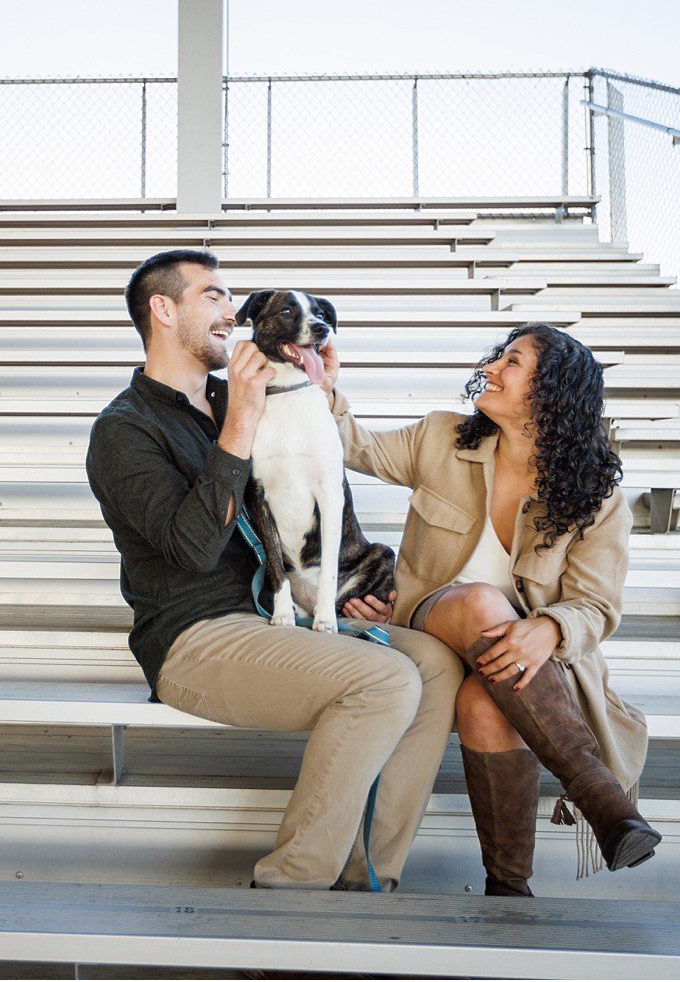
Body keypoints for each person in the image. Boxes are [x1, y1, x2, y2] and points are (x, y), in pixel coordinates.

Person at [85, 250, 464, 892]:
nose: (232, 311)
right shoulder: (125, 430)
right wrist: (238, 422)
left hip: (276, 615)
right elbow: (195, 549)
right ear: (162, 308)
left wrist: (331, 591)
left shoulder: (250, 395)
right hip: (196, 638)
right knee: (386, 681)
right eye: (213, 295)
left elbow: (315, 493)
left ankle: (365, 874)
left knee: (435, 663)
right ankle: (289, 887)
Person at [322, 324, 659, 896]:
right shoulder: (440, 438)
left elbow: (596, 605)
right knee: (482, 600)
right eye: (497, 358)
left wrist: (549, 630)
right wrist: (324, 387)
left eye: (513, 362)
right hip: (429, 620)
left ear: (552, 392)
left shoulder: (594, 496)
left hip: (516, 659)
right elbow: (356, 447)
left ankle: (508, 886)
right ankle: (597, 794)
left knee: (485, 702)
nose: (493, 370)